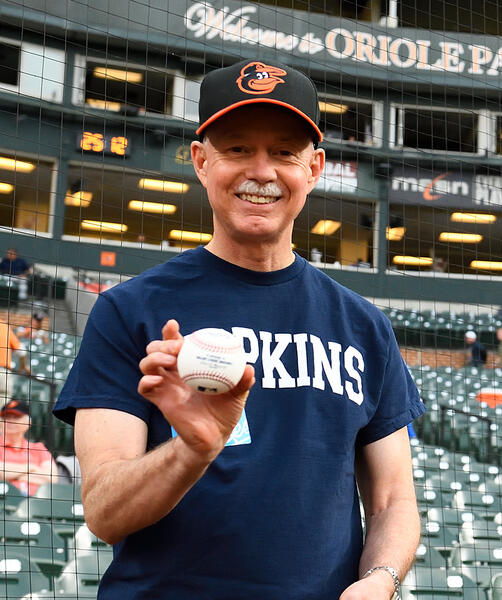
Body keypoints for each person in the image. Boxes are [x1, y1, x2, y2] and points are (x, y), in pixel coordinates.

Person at [52, 59, 425, 599]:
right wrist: (191, 450)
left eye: (283, 152)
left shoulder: (364, 326)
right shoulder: (129, 309)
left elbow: (394, 500)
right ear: (201, 162)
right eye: (237, 149)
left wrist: (380, 580)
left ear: (314, 168)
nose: (262, 171)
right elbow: (104, 512)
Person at [0, 399, 56, 496]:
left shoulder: (38, 448)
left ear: (28, 422)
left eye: (16, 417)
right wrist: (31, 467)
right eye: (6, 417)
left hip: (36, 505)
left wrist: (9, 476)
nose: (10, 421)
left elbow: (51, 478)